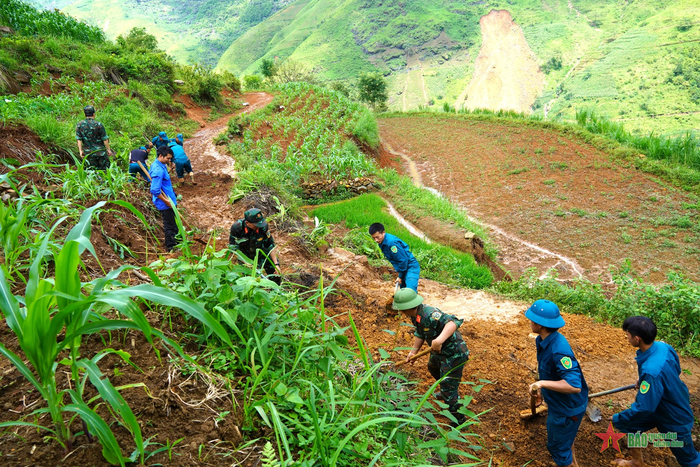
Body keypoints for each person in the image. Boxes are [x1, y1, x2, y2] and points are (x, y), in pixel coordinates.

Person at [612, 316, 700, 467]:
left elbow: (644, 407)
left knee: (689, 460)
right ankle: (636, 461)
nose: (627, 338)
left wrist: (619, 417)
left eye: (627, 335)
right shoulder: (663, 347)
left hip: (673, 416)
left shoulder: (651, 372)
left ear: (637, 338)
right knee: (632, 425)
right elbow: (675, 369)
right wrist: (645, 381)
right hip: (658, 404)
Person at [392, 288, 469, 427]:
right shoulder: (415, 315)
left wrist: (439, 340)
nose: (401, 312)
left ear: (407, 307)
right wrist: (413, 352)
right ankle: (446, 391)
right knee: (432, 367)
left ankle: (459, 418)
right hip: (439, 352)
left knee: (447, 386)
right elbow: (420, 332)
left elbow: (453, 322)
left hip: (454, 353)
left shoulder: (430, 314)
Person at [526, 300, 588, 467]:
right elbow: (548, 370)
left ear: (539, 324)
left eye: (532, 320)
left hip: (567, 409)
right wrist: (541, 390)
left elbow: (574, 386)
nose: (530, 322)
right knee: (565, 442)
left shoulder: (559, 350)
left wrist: (542, 384)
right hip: (558, 404)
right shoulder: (543, 340)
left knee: (557, 448)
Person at [229, 208, 281, 285]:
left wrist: (276, 264)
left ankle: (276, 291)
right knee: (245, 281)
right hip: (245, 257)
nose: (259, 226)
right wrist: (245, 262)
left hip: (262, 253)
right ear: (248, 223)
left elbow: (270, 245)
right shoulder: (237, 228)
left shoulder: (263, 226)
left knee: (276, 274)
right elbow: (233, 248)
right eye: (256, 224)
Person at [369, 223, 420, 291]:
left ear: (383, 232)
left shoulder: (391, 243)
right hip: (403, 268)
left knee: (410, 292)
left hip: (410, 266)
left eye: (377, 237)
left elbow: (403, 260)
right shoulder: (381, 242)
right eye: (373, 238)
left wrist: (400, 276)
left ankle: (415, 301)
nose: (376, 240)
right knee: (403, 292)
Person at [149, 146, 178, 251]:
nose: (169, 160)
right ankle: (171, 247)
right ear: (161, 156)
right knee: (169, 225)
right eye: (168, 158)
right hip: (165, 203)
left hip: (170, 199)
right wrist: (166, 201)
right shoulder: (158, 170)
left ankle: (177, 240)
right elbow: (155, 190)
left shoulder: (160, 164)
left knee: (173, 223)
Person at [75, 105, 113, 170]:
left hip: (89, 154)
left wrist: (80, 150)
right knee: (105, 171)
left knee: (92, 172)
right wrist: (108, 149)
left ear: (85, 114)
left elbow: (79, 139)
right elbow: (104, 139)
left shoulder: (79, 125)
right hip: (101, 153)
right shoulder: (99, 124)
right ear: (93, 114)